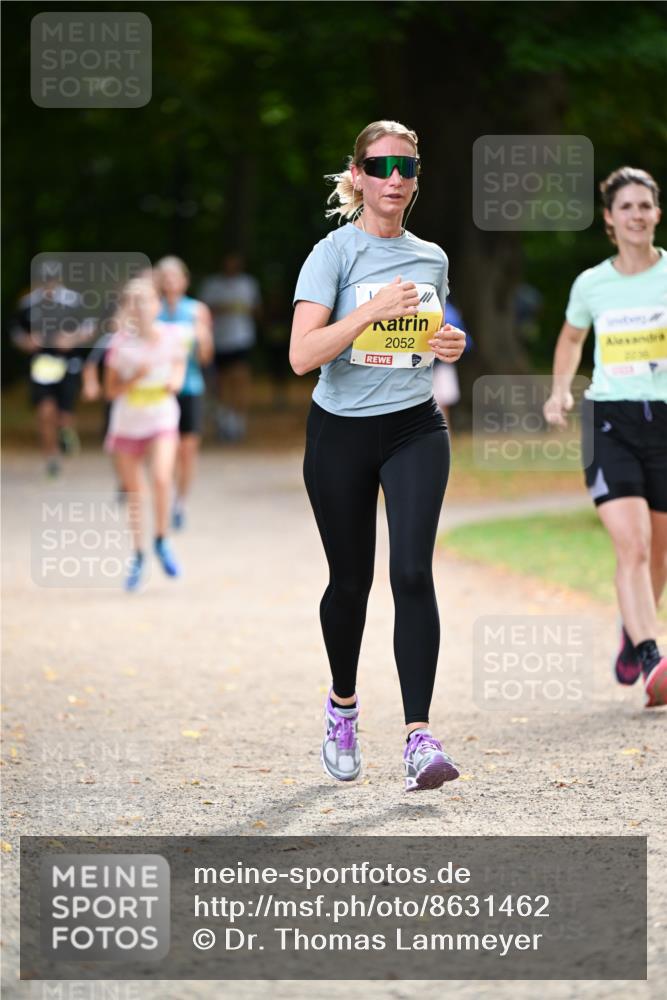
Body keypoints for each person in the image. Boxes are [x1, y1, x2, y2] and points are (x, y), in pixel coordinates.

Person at [290, 120, 467, 791]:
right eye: (382, 166)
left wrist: (448, 344)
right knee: (350, 584)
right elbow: (301, 355)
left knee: (412, 573)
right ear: (358, 175)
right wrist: (369, 312)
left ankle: (419, 737)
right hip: (340, 433)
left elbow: (425, 338)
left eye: (407, 167)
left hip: (414, 427)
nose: (395, 178)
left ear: (416, 179)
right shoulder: (332, 254)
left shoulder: (431, 258)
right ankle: (342, 707)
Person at [544, 166, 667, 708]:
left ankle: (632, 632)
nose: (636, 215)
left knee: (658, 555)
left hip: (664, 419)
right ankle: (651, 655)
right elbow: (572, 338)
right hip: (610, 420)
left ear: (656, 213)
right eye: (626, 207)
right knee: (633, 545)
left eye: (644, 205)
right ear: (610, 220)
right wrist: (559, 391)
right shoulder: (592, 284)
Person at [104, 277, 185, 592]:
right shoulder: (119, 344)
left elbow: (178, 366)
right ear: (128, 308)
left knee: (162, 478)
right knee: (135, 493)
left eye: (146, 301)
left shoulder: (173, 335)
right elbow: (111, 391)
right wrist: (133, 379)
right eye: (134, 303)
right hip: (127, 424)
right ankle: (138, 555)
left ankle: (162, 539)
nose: (140, 308)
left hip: (162, 418)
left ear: (157, 305)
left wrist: (175, 381)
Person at [10, 261, 93, 476]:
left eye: (52, 281)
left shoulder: (73, 302)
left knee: (64, 415)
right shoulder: (28, 304)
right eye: (45, 281)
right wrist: (27, 341)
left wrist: (72, 339)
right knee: (45, 411)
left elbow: (89, 327)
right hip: (42, 364)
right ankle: (52, 458)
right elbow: (15, 331)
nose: (49, 286)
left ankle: (66, 433)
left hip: (68, 363)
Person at [154, 256, 213, 529]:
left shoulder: (197, 310)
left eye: (174, 277)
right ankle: (165, 496)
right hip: (159, 389)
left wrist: (203, 339)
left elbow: (206, 358)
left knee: (187, 449)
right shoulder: (151, 309)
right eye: (164, 278)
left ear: (184, 280)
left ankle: (180, 502)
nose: (169, 283)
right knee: (167, 448)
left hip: (190, 387)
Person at [198, 251, 261, 442]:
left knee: (240, 379)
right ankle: (226, 420)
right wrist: (224, 308)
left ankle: (238, 421)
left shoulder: (248, 283)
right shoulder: (212, 284)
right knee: (221, 382)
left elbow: (257, 309)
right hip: (219, 340)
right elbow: (203, 311)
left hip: (241, 339)